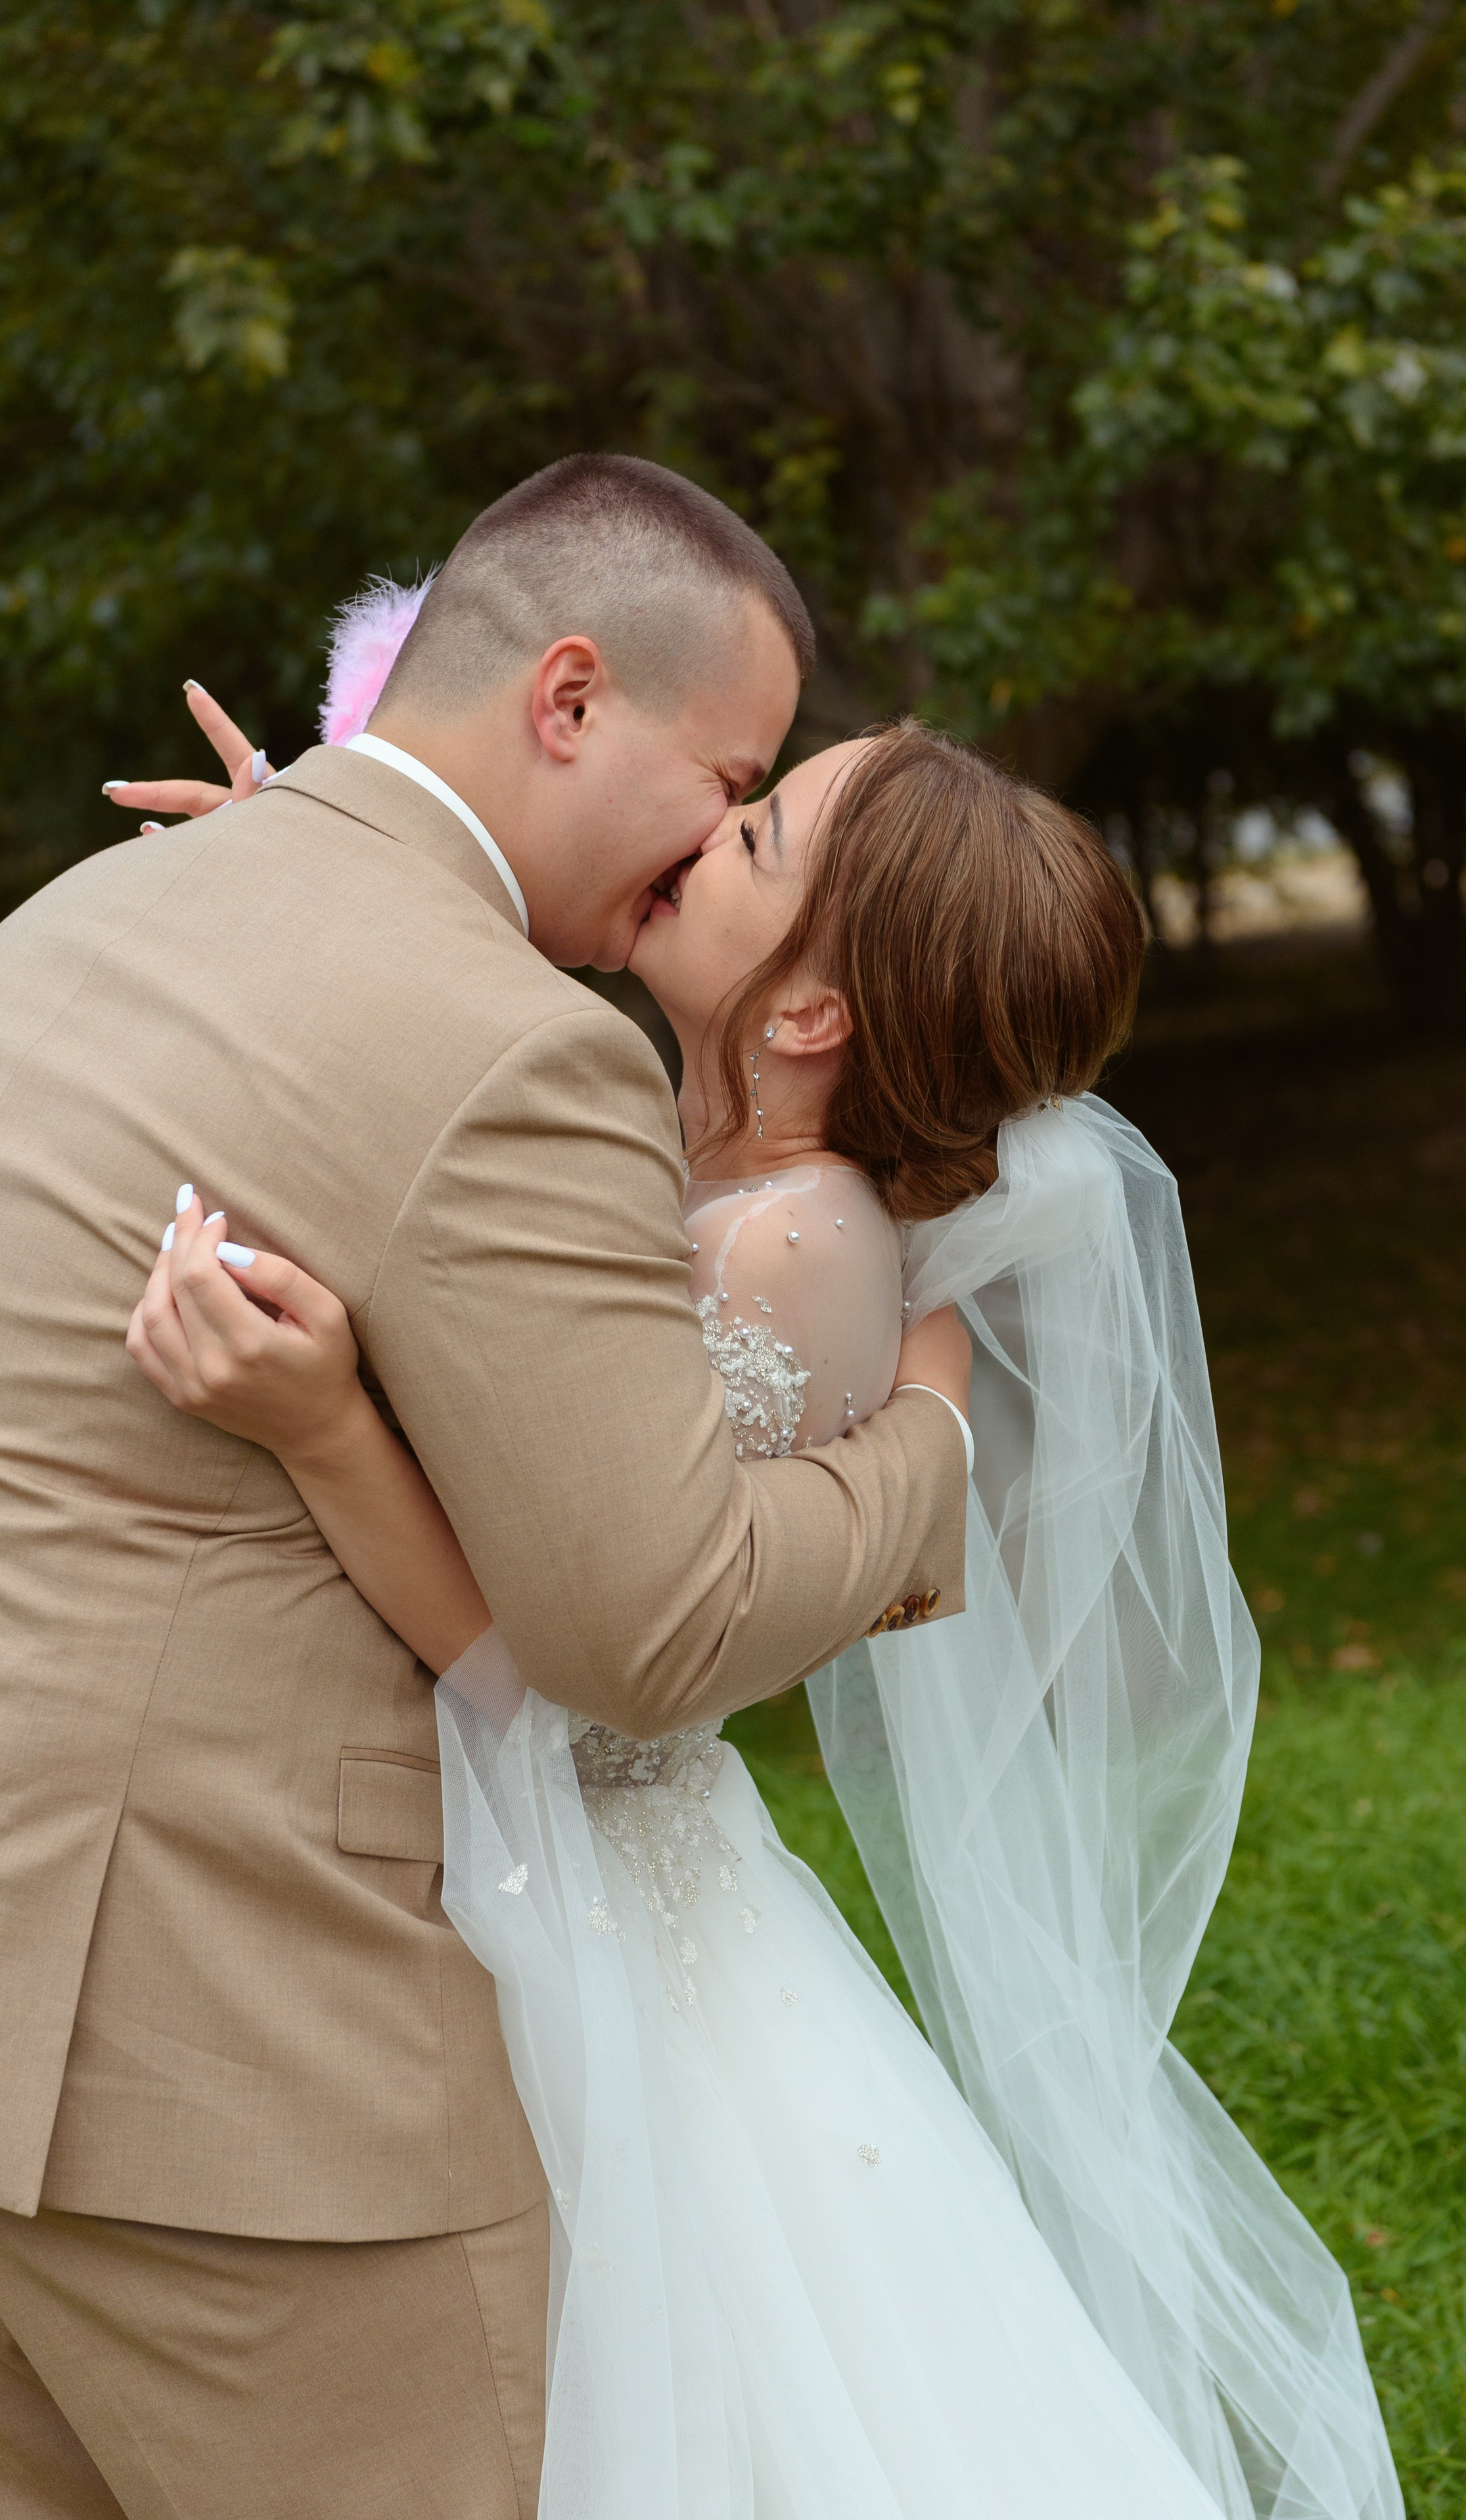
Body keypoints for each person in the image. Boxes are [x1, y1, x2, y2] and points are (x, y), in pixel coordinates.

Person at [129, 714, 1404, 2520]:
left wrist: (327, 1424)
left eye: (759, 833)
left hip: (584, 1884)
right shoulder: (675, 1148)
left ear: (808, 1015)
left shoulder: (784, 1246)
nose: (705, 821)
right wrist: (322, 868)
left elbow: (575, 1681)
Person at [0, 456, 973, 2520]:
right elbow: (654, 1628)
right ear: (569, 697)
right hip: (232, 2076)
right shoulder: (517, 1049)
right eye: (727, 782)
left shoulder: (73, 921)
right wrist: (931, 1454)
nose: (712, 840)